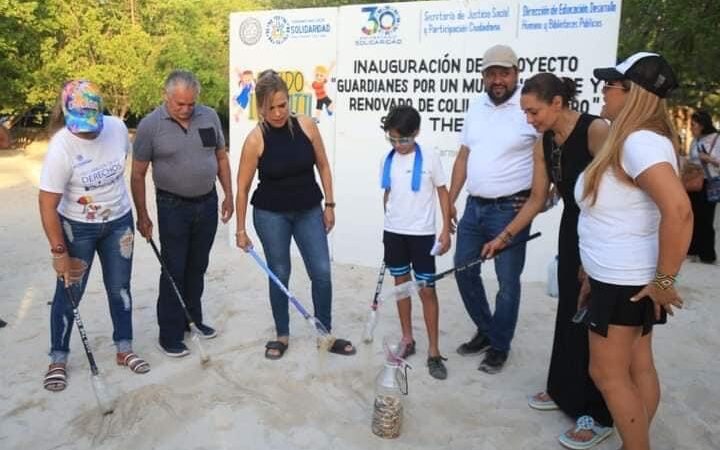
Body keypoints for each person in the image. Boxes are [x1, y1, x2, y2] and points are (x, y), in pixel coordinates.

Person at [482, 73, 613, 448]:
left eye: (533, 111)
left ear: (557, 102)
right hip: (573, 228)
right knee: (569, 312)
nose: (529, 119)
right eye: (525, 112)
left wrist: (596, 256)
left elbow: (614, 191)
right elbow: (538, 199)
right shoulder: (544, 142)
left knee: (593, 321)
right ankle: (562, 391)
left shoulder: (596, 131)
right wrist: (503, 237)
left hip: (602, 231)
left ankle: (597, 414)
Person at [577, 52, 691, 450]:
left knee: (608, 374)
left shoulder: (640, 141)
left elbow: (679, 211)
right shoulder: (636, 139)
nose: (603, 92)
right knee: (638, 366)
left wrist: (664, 281)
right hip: (620, 276)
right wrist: (591, 270)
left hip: (625, 281)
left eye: (610, 84)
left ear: (633, 92)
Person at [235, 70, 355, 359]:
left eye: (282, 105)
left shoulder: (307, 126)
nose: (277, 113)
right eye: (270, 108)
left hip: (309, 209)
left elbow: (324, 166)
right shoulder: (255, 139)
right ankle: (282, 335)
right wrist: (240, 230)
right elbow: (242, 188)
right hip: (270, 214)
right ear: (260, 108)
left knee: (322, 272)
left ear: (289, 101)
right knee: (280, 273)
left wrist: (330, 205)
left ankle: (324, 333)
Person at [39, 80, 150, 392]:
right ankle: (58, 358)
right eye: (80, 125)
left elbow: (127, 173)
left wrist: (139, 214)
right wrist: (59, 251)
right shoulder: (61, 147)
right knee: (70, 292)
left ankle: (124, 348)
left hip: (118, 223)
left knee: (120, 288)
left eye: (92, 123)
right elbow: (47, 204)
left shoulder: (116, 128)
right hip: (78, 228)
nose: (87, 131)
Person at [448, 44, 538, 374]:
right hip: (474, 207)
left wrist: (544, 197)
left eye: (504, 72)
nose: (497, 79)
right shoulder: (476, 106)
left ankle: (500, 346)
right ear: (484, 76)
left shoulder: (529, 107)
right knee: (463, 269)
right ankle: (488, 330)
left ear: (517, 73)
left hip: (510, 211)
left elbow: (552, 156)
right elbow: (463, 157)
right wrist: (449, 202)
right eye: (491, 73)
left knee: (507, 281)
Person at [131, 70, 234, 357]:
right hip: (172, 206)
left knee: (198, 265)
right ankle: (170, 333)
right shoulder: (150, 125)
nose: (187, 109)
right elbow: (137, 174)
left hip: (208, 202)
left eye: (191, 103)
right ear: (167, 97)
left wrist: (229, 195)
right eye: (180, 104)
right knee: (174, 268)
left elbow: (221, 157)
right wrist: (143, 214)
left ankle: (193, 320)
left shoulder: (210, 116)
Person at [379, 105, 451, 380]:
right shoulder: (388, 159)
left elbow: (442, 194)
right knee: (401, 288)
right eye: (393, 139)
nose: (398, 145)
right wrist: (389, 224)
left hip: (422, 235)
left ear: (416, 133)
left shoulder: (430, 157)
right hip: (394, 233)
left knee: (426, 291)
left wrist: (445, 231)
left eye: (404, 139)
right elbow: (388, 193)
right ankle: (407, 339)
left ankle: (434, 351)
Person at [686, 110, 719, 264]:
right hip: (694, 182)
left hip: (709, 182)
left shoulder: (716, 139)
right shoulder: (695, 141)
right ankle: (692, 250)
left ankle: (707, 254)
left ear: (702, 125)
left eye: (693, 125)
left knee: (705, 219)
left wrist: (708, 159)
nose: (691, 128)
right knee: (692, 217)